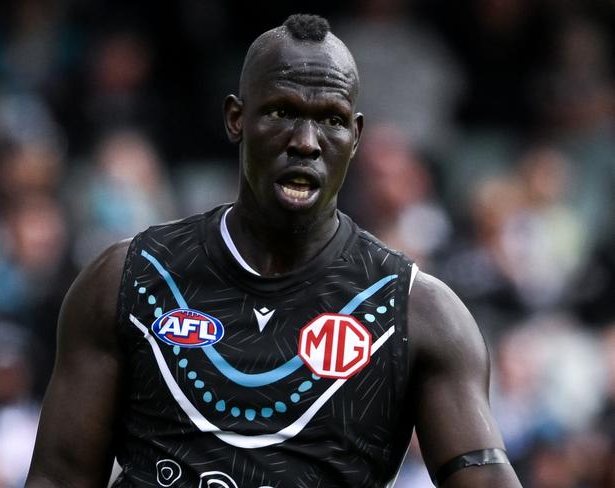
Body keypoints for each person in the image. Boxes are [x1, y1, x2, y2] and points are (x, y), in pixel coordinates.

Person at [26, 14, 522, 488]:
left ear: (355, 137)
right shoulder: (127, 280)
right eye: (282, 112)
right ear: (236, 118)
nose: (305, 142)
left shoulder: (418, 313)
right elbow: (59, 477)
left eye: (330, 119)